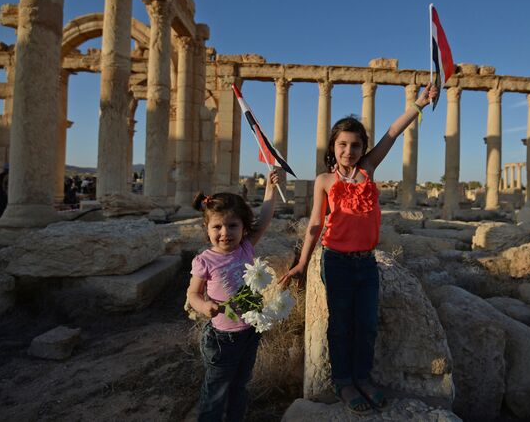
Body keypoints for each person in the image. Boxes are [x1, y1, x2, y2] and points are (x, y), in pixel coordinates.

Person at [279, 82, 438, 415]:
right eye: (342, 145)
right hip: (335, 262)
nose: (348, 151)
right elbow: (314, 224)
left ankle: (363, 377)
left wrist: (419, 103)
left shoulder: (368, 169)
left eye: (355, 145)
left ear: (363, 148)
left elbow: (393, 133)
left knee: (366, 324)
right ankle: (343, 381)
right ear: (333, 147)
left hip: (366, 264)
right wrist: (301, 263)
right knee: (340, 325)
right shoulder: (324, 181)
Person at [186, 169, 280, 422]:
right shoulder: (204, 260)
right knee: (216, 390)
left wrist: (271, 188)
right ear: (207, 229)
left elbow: (266, 217)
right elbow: (193, 293)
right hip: (221, 340)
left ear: (243, 228)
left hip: (249, 333)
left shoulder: (246, 247)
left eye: (232, 225)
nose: (225, 232)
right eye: (217, 226)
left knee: (241, 385)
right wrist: (204, 306)